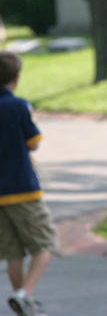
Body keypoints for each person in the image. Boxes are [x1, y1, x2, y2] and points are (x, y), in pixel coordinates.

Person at [0, 52, 57, 316]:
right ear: (17, 77)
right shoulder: (19, 106)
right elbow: (33, 142)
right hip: (23, 188)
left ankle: (25, 304)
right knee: (45, 244)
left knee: (13, 252)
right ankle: (24, 294)